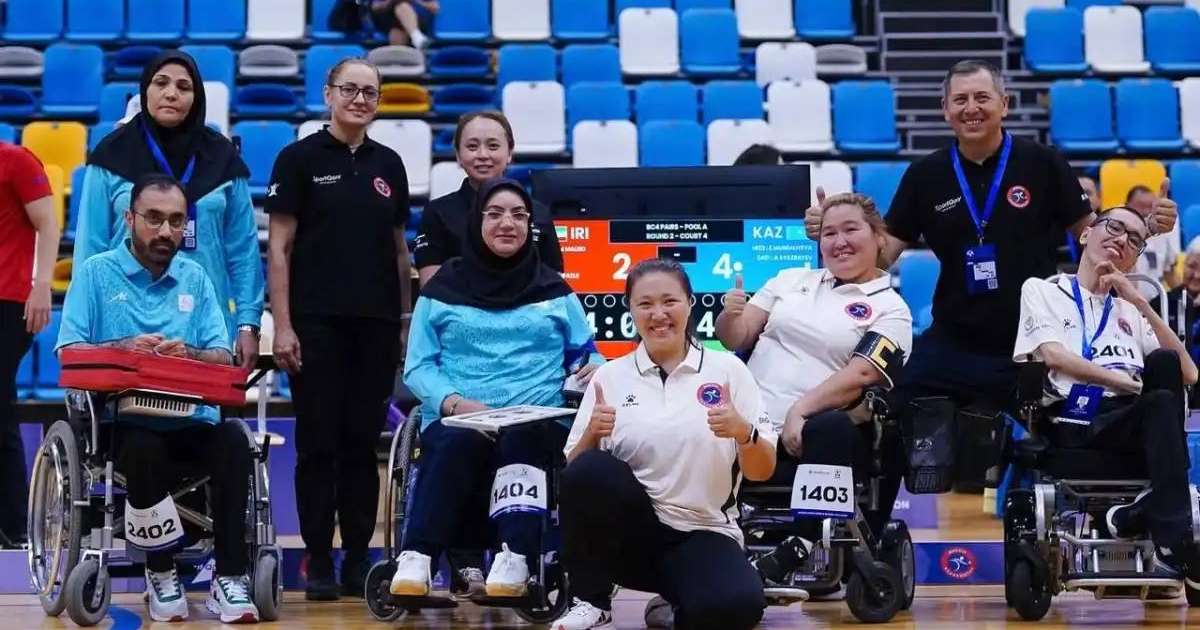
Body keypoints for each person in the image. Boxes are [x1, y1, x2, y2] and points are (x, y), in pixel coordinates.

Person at [803, 59, 1177, 521]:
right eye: (960, 99)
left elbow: (1097, 240)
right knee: (893, 405)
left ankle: (1122, 522)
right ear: (944, 109)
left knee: (1067, 430)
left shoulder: (1044, 164)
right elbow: (880, 259)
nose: (972, 108)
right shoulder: (925, 175)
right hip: (953, 340)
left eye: (982, 97)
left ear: (1005, 104)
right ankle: (873, 533)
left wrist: (1147, 230)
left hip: (1035, 344)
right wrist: (833, 235)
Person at [56, 174, 259, 624]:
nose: (165, 230)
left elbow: (222, 355)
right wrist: (123, 349)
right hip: (120, 429)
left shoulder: (196, 277)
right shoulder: (95, 273)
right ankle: (161, 570)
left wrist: (191, 354)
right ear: (129, 218)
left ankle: (229, 576)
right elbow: (69, 351)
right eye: (153, 218)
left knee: (234, 439)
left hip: (190, 424)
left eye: (176, 221)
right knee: (144, 444)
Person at [388, 178, 603, 599]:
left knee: (524, 438)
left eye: (519, 215)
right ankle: (417, 556)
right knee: (455, 442)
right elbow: (418, 365)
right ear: (477, 222)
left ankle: (515, 557)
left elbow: (585, 353)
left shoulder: (555, 290)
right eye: (496, 214)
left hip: (536, 417)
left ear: (530, 226)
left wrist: (594, 367)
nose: (508, 223)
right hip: (459, 417)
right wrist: (455, 403)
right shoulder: (441, 290)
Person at [550, 258, 778, 630]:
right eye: (645, 304)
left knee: (738, 607)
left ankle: (676, 606)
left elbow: (762, 470)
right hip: (628, 540)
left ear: (690, 304)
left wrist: (743, 433)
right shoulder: (609, 376)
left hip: (703, 532)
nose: (658, 314)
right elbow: (574, 478)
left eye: (670, 301)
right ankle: (592, 600)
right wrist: (591, 433)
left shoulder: (729, 372)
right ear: (631, 310)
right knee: (590, 469)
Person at [265, 57, 413, 601]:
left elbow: (399, 252)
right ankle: (318, 560)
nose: (359, 99)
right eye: (349, 89)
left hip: (376, 325)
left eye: (370, 92)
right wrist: (283, 325)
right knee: (318, 444)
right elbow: (278, 249)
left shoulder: (390, 164)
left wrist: (404, 321)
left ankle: (356, 558)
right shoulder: (298, 159)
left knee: (361, 445)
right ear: (328, 94)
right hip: (315, 324)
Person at [717, 192, 913, 581]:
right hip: (750, 429)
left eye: (851, 230)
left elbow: (862, 373)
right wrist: (730, 315)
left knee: (831, 426)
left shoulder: (893, 309)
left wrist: (800, 411)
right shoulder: (789, 280)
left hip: (817, 437)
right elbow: (737, 337)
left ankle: (800, 545)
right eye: (829, 233)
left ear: (879, 237)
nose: (839, 242)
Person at [1013, 205, 1199, 586]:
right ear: (1086, 234)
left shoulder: (1129, 308)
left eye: (1134, 239)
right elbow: (1055, 357)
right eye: (1114, 227)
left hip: (1133, 420)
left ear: (1133, 258)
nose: (1122, 239)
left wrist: (1140, 302)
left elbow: (1190, 374)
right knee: (1158, 400)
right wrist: (1130, 384)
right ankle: (1176, 542)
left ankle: (1140, 518)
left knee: (1165, 364)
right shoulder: (1043, 290)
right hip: (1076, 415)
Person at [75, 50, 263, 370]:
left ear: (196, 97)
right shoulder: (110, 155)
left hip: (203, 324)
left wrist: (248, 324)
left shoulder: (223, 158)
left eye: (183, 86)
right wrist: (85, 326)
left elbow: (243, 252)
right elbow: (89, 248)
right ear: (145, 90)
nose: (171, 93)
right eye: (161, 83)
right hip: (123, 320)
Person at [413, 110, 563, 286]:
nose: (483, 155)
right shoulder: (437, 213)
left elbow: (553, 285)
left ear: (509, 153)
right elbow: (432, 289)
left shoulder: (538, 213)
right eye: (472, 147)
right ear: (458, 155)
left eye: (493, 146)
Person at [0, 143, 58, 550]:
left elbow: (49, 224)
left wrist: (42, 286)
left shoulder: (16, 160)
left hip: (7, 300)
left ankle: (16, 526)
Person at [1127, 182, 1181, 301]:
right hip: (1124, 303)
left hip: (1155, 304)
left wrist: (1187, 297)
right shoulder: (1119, 236)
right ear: (1127, 206)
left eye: (1150, 206)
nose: (1146, 211)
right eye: (1141, 206)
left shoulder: (1164, 236)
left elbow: (1169, 273)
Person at [371, 0, 438, 48]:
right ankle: (416, 36)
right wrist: (389, 2)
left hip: (418, 19)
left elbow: (434, 7)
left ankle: (415, 35)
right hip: (390, 18)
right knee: (396, 32)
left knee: (396, 31)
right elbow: (375, 6)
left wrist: (413, 1)